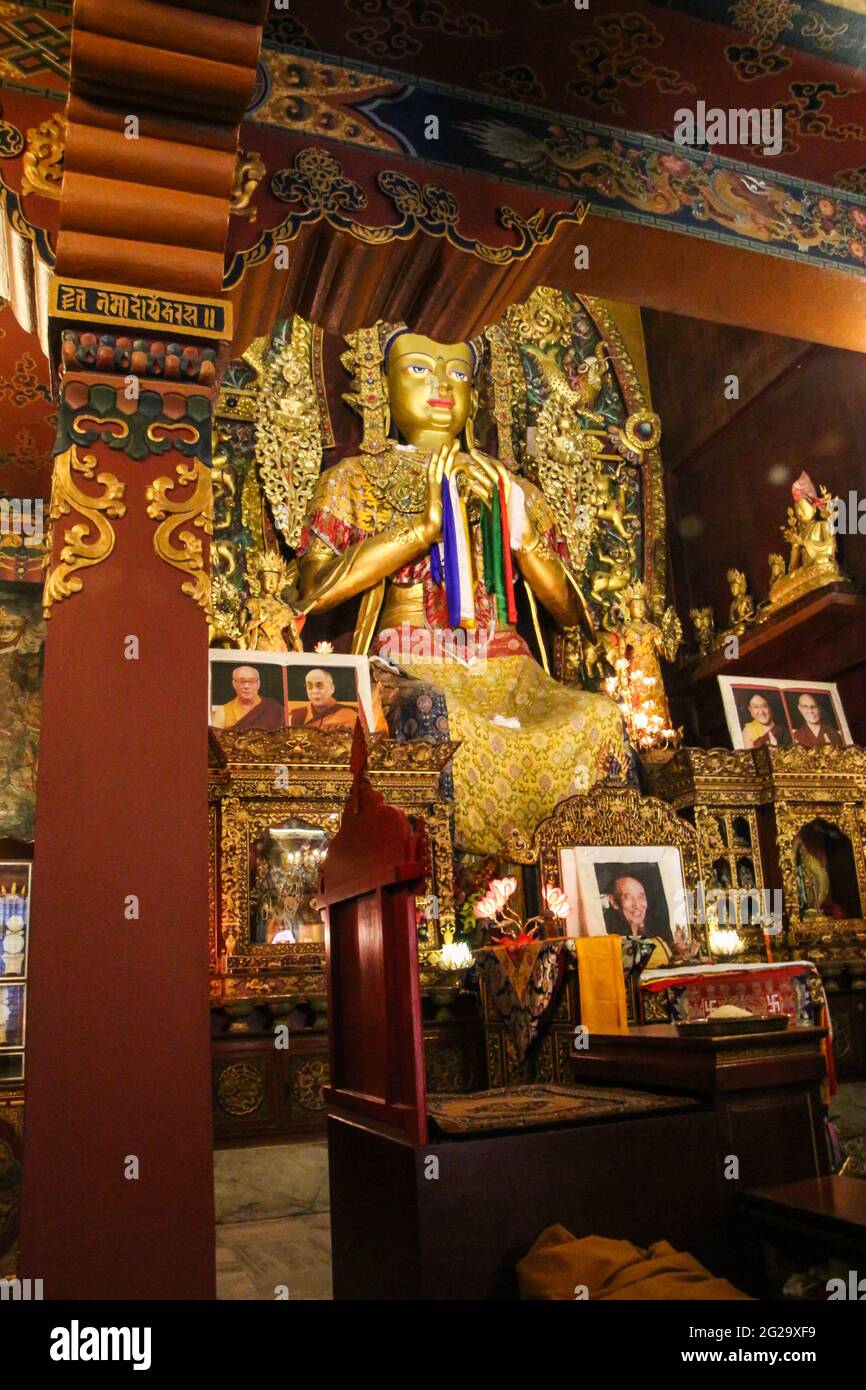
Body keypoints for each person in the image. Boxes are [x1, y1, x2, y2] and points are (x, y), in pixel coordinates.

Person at [296, 324, 629, 854]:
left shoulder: (511, 487)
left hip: (510, 669)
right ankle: (439, 898)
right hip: (411, 660)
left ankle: (597, 881)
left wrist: (522, 542)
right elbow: (312, 590)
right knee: (434, 711)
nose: (442, 386)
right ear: (381, 388)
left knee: (599, 716)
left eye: (458, 373)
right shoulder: (352, 481)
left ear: (476, 396)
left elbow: (570, 613)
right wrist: (419, 532)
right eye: (419, 369)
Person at [603, 873, 673, 945]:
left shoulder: (660, 933)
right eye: (628, 897)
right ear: (613, 902)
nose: (637, 905)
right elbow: (635, 955)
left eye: (641, 897)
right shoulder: (607, 936)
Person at [210, 665, 285, 730]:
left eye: (251, 681)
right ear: (234, 684)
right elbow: (215, 742)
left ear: (258, 684)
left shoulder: (274, 708)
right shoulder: (223, 712)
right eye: (241, 681)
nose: (246, 686)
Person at [289, 668, 358, 731]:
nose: (314, 691)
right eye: (309, 686)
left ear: (332, 688)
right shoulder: (296, 716)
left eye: (319, 686)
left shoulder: (350, 715)